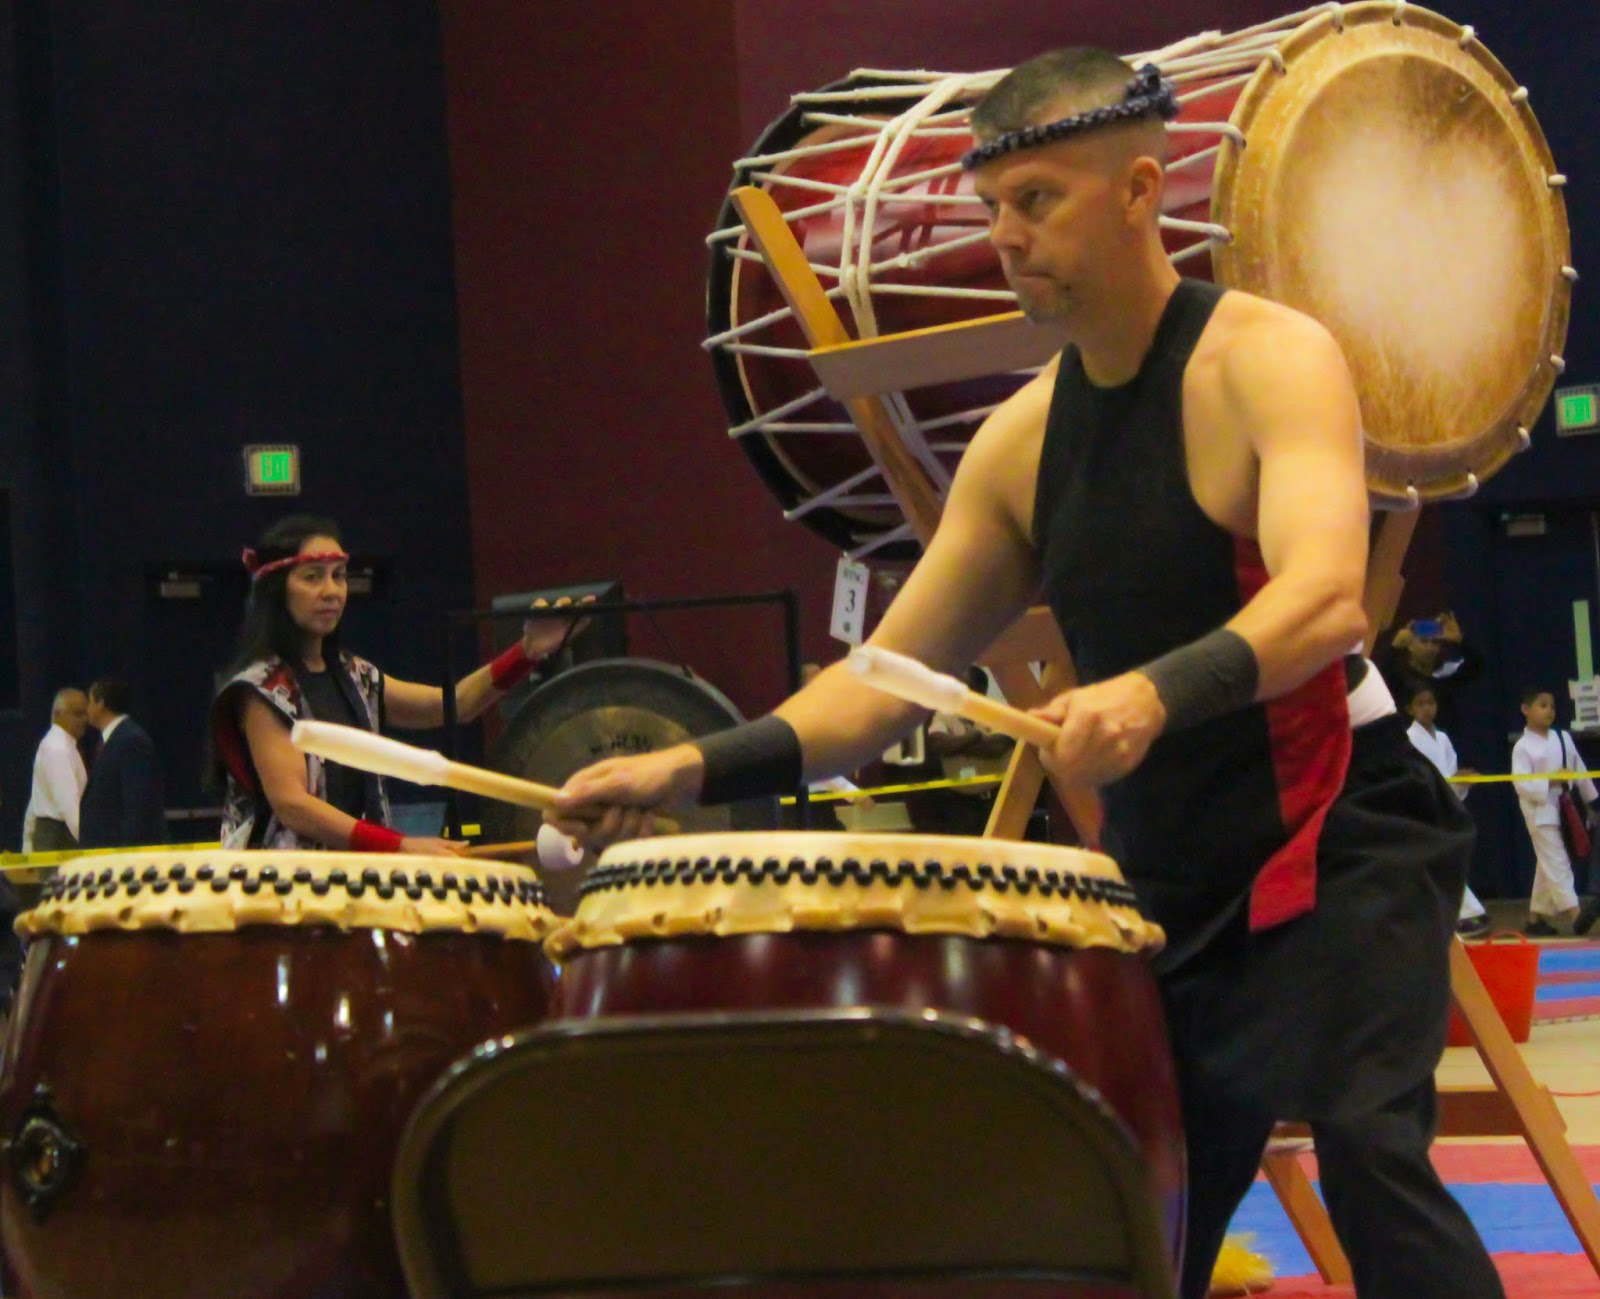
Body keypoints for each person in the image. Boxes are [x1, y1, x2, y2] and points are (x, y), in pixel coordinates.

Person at [549, 49, 1499, 1299]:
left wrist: (1151, 690)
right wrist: (687, 765)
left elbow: (1325, 601)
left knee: (1370, 1149)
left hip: (1340, 832)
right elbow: (879, 685)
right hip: (1169, 873)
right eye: (990, 206)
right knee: (1132, 1219)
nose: (1003, 236)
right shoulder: (1020, 443)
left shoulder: (1267, 358)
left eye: (1037, 200)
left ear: (1140, 190)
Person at [210, 514, 585, 854]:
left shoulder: (355, 675)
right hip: (277, 886)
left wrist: (526, 652)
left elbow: (456, 705)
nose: (331, 590)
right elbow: (293, 805)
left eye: (339, 575)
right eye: (313, 577)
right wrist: (401, 845)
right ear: (277, 590)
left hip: (353, 877)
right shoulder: (262, 689)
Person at [1510, 687, 1596, 937]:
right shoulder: (1523, 746)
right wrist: (1550, 781)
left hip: (1564, 808)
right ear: (1525, 709)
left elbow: (1579, 769)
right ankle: (1576, 915)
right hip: (1539, 812)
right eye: (1542, 705)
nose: (1549, 710)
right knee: (1557, 862)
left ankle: (1535, 918)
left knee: (1547, 862)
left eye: (1552, 706)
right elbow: (1521, 784)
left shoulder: (1562, 738)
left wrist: (1593, 800)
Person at [1404, 684, 1488, 937]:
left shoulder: (1443, 739)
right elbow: (1414, 776)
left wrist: (1461, 780)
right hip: (1423, 809)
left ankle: (1456, 914)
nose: (1427, 708)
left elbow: (1450, 774)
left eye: (1431, 703)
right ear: (1410, 709)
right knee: (1440, 861)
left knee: (1443, 861)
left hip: (1445, 807)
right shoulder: (1409, 739)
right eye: (1421, 704)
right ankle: (1466, 912)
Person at [79, 676, 167, 849]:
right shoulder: (113, 740)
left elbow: (137, 805)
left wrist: (127, 852)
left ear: (101, 703)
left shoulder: (131, 741)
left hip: (122, 854)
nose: (86, 708)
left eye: (89, 701)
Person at [20, 687, 89, 852]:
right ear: (57, 714)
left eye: (85, 714)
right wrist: (88, 842)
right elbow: (68, 804)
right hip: (58, 837)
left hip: (56, 833)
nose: (85, 720)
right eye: (78, 714)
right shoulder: (57, 748)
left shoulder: (61, 745)